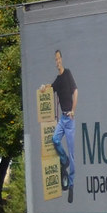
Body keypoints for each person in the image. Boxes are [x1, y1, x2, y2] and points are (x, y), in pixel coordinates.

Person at [41, 49, 78, 203]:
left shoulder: (68, 74)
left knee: (72, 152)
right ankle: (64, 160)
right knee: (55, 140)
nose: (57, 62)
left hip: (69, 119)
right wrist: (44, 87)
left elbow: (75, 91)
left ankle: (71, 184)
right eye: (55, 60)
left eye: (58, 59)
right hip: (62, 119)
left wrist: (73, 111)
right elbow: (51, 87)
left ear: (62, 59)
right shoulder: (58, 79)